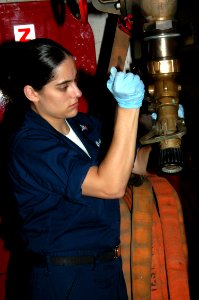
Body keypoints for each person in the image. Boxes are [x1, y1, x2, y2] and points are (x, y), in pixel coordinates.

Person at [0, 38, 145, 300]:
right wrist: (129, 107)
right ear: (32, 92)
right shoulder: (30, 145)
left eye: (75, 81)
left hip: (106, 269)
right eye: (63, 86)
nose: (77, 92)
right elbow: (110, 185)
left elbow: (132, 164)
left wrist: (164, 136)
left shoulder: (82, 126)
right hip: (66, 279)